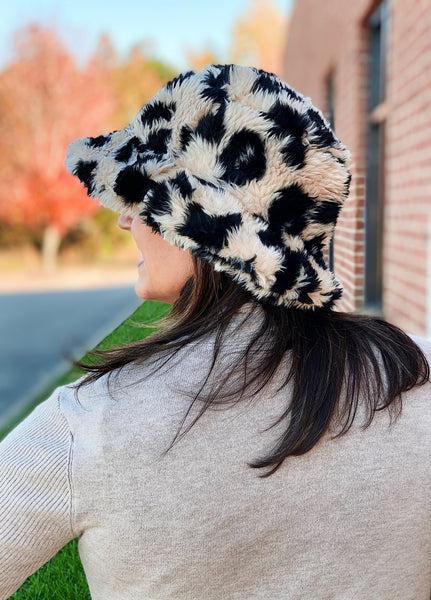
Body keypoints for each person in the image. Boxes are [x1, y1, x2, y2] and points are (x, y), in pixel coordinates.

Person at [0, 64, 430, 600]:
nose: (123, 222)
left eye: (140, 198)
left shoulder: (93, 424)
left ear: (198, 223)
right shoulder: (417, 374)